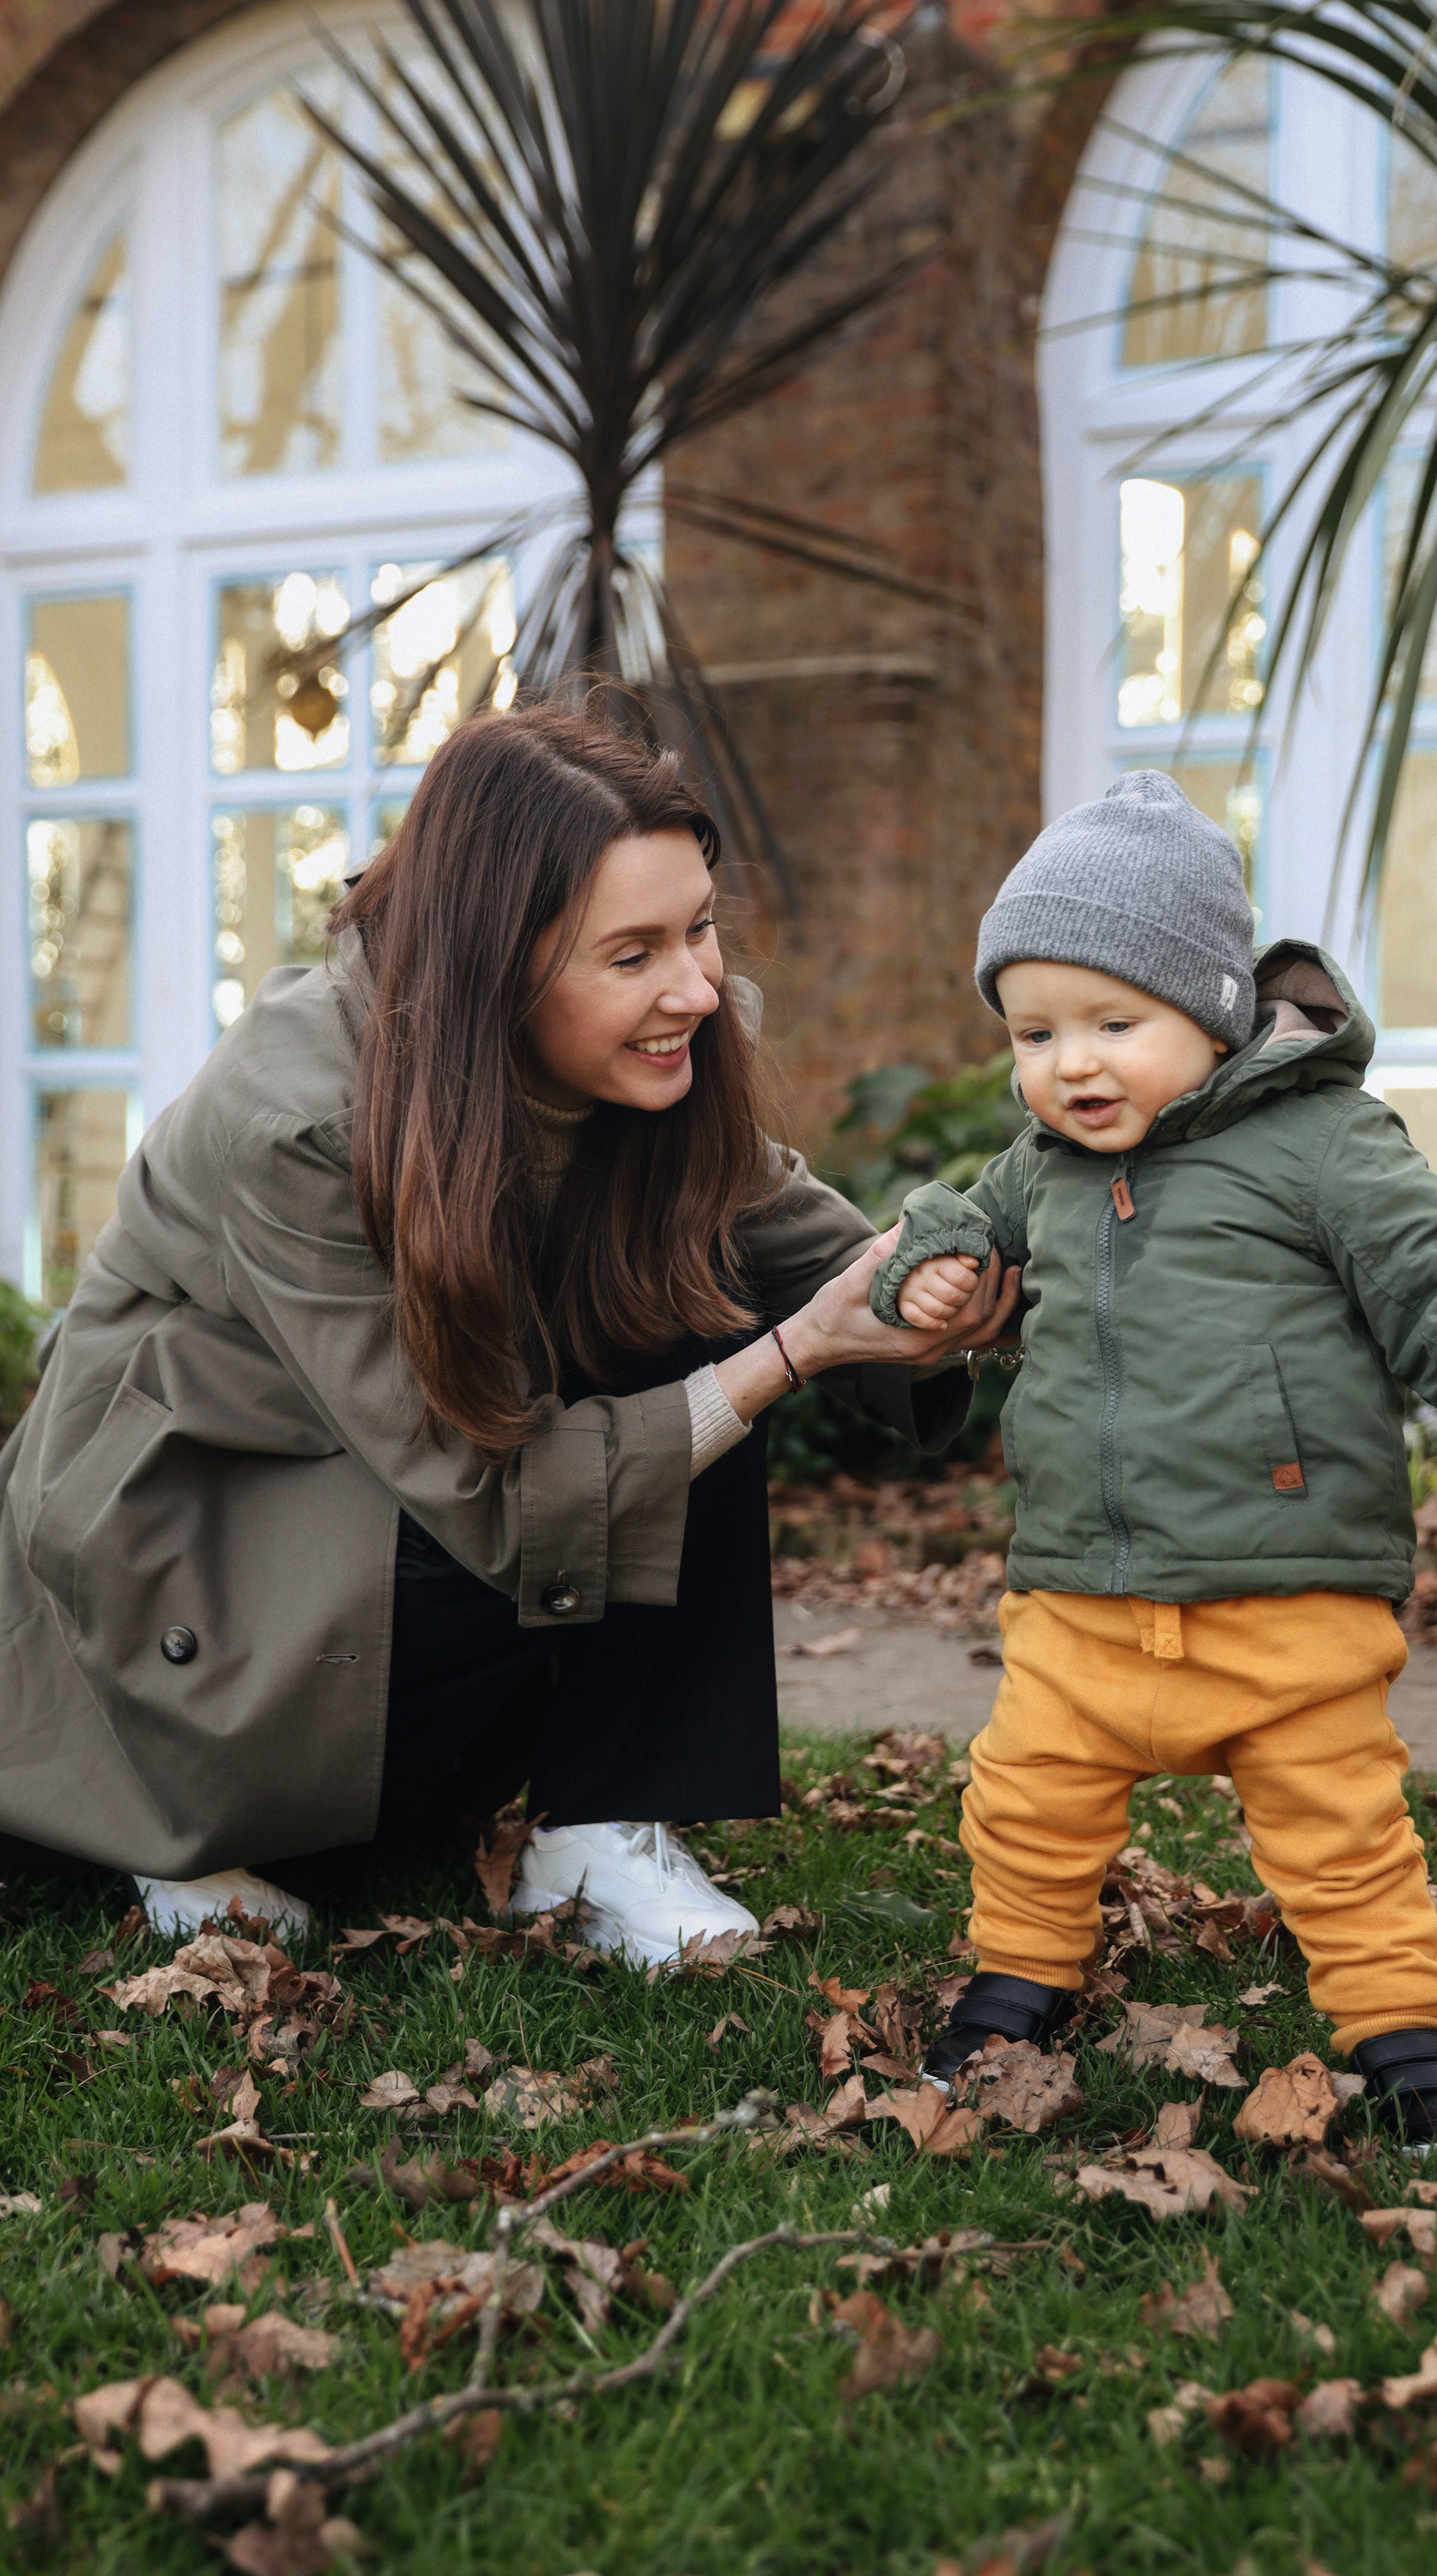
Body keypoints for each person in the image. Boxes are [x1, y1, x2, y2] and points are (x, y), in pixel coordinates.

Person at [0, 705, 1017, 1960]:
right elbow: (480, 1490)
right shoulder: (304, 1117)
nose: (696, 987)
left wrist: (964, 1275)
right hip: (198, 1554)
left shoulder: (652, 1052)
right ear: (497, 957)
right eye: (633, 952)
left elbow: (810, 1248)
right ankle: (194, 1821)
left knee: (683, 1297)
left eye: (698, 927)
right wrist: (792, 1353)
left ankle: (598, 1825)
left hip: (377, 1516)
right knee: (713, 1366)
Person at [869, 770, 1437, 2149]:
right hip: (1082, 1597)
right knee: (1027, 1803)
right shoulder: (1041, 1164)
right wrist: (935, 1267)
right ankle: (1014, 1991)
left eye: (1116, 1022)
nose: (1074, 1064)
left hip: (1287, 1592)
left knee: (1341, 1840)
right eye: (1035, 1032)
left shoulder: (1321, 1144)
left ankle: (1410, 2046)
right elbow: (948, 1214)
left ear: (1216, 1014)